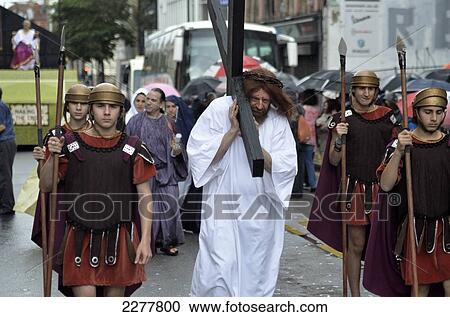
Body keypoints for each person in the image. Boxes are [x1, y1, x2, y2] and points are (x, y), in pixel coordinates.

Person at [187, 68, 297, 296]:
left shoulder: (277, 120)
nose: (259, 105)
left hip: (261, 215)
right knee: (218, 269)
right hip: (222, 208)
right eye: (254, 99)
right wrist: (233, 131)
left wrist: (255, 140)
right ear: (243, 97)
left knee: (254, 277)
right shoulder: (219, 109)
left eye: (265, 101)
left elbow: (285, 167)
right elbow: (199, 155)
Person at [39, 83, 155, 297]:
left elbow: (145, 196)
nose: (107, 112)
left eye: (113, 106)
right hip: (78, 238)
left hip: (119, 237)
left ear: (121, 110)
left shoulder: (133, 147)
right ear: (91, 108)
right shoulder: (69, 144)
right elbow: (46, 185)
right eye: (101, 106)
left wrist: (146, 239)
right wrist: (51, 157)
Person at [307, 70, 403, 296]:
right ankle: (355, 296)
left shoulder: (388, 117)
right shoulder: (342, 119)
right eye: (362, 88)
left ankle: (382, 289)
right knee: (356, 244)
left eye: (371, 89)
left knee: (382, 243)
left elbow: (398, 149)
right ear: (353, 91)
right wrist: (339, 138)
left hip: (383, 188)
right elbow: (332, 159)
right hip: (353, 189)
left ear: (376, 91)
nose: (366, 93)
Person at [379, 87, 450, 296]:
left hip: (447, 227)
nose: (434, 117)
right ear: (416, 112)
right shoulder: (400, 145)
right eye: (428, 112)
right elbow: (385, 184)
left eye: (439, 112)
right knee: (420, 291)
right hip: (416, 228)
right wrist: (400, 151)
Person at [126, 88, 188, 256]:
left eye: (153, 100)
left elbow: (177, 146)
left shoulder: (168, 123)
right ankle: (148, 243)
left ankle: (169, 243)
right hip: (145, 170)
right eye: (148, 99)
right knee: (147, 209)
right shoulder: (135, 122)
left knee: (170, 206)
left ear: (161, 104)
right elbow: (127, 144)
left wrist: (177, 151)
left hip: (166, 171)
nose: (148, 102)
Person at [30, 84, 92, 254]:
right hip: (61, 196)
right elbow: (44, 180)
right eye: (74, 103)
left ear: (90, 106)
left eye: (83, 103)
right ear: (67, 106)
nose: (78, 108)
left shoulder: (96, 134)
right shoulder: (55, 134)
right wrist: (41, 161)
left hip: (88, 196)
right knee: (61, 250)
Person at [0, 86, 16, 215]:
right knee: (4, 174)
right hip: (7, 142)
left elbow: (1, 126)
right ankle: (5, 203)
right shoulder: (2, 105)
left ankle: (7, 205)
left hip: (4, 142)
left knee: (4, 175)